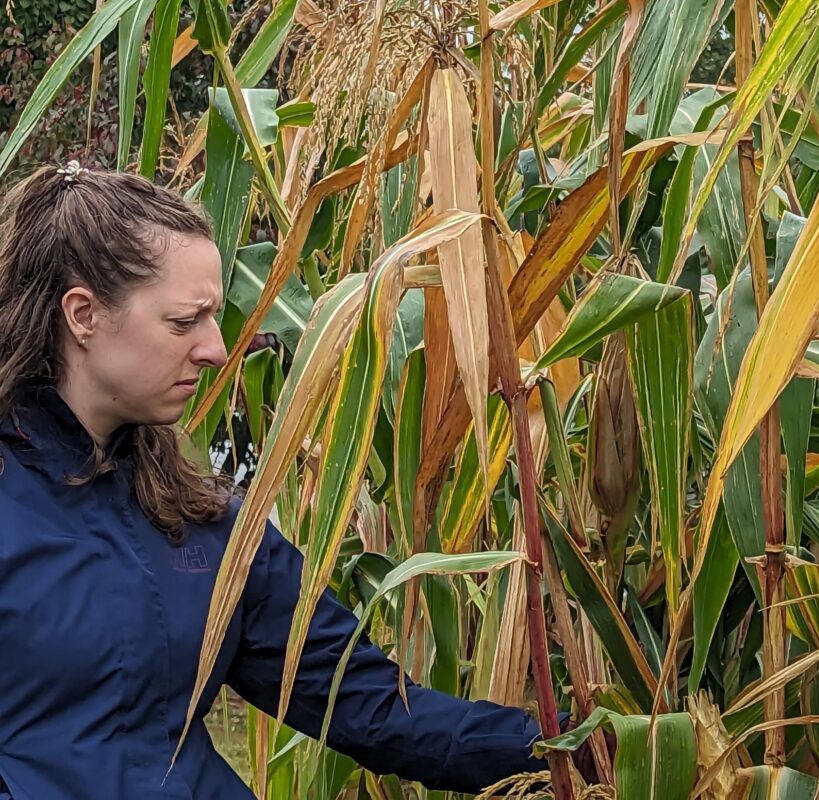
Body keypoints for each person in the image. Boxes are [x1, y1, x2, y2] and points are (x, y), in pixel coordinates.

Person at [0, 162, 566, 800]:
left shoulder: (204, 523)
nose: (216, 348)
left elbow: (365, 704)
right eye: (185, 322)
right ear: (83, 315)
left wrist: (568, 750)